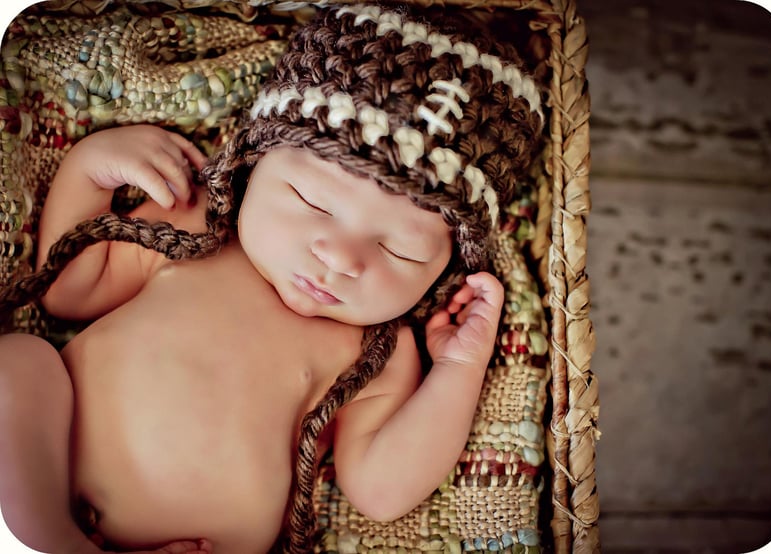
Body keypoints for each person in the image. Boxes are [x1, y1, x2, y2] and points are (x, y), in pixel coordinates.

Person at [0, 4, 544, 554]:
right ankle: (48, 534)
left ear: (447, 267)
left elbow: (380, 490)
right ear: (251, 161)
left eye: (398, 250)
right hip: (45, 479)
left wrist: (457, 368)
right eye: (310, 200)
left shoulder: (379, 349)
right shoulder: (197, 230)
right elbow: (69, 291)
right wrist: (92, 169)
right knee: (16, 362)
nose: (340, 258)